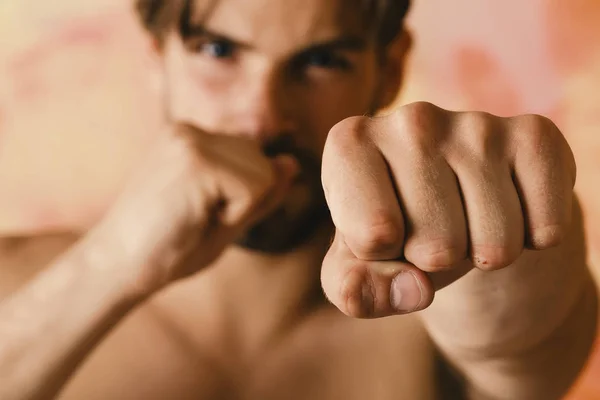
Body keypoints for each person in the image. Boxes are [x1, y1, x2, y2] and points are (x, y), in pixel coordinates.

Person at [0, 0, 596, 399]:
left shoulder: (429, 305)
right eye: (218, 52)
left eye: (320, 61)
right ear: (160, 64)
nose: (265, 118)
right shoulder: (15, 279)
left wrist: (510, 213)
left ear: (388, 73)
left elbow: (526, 349)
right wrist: (108, 266)